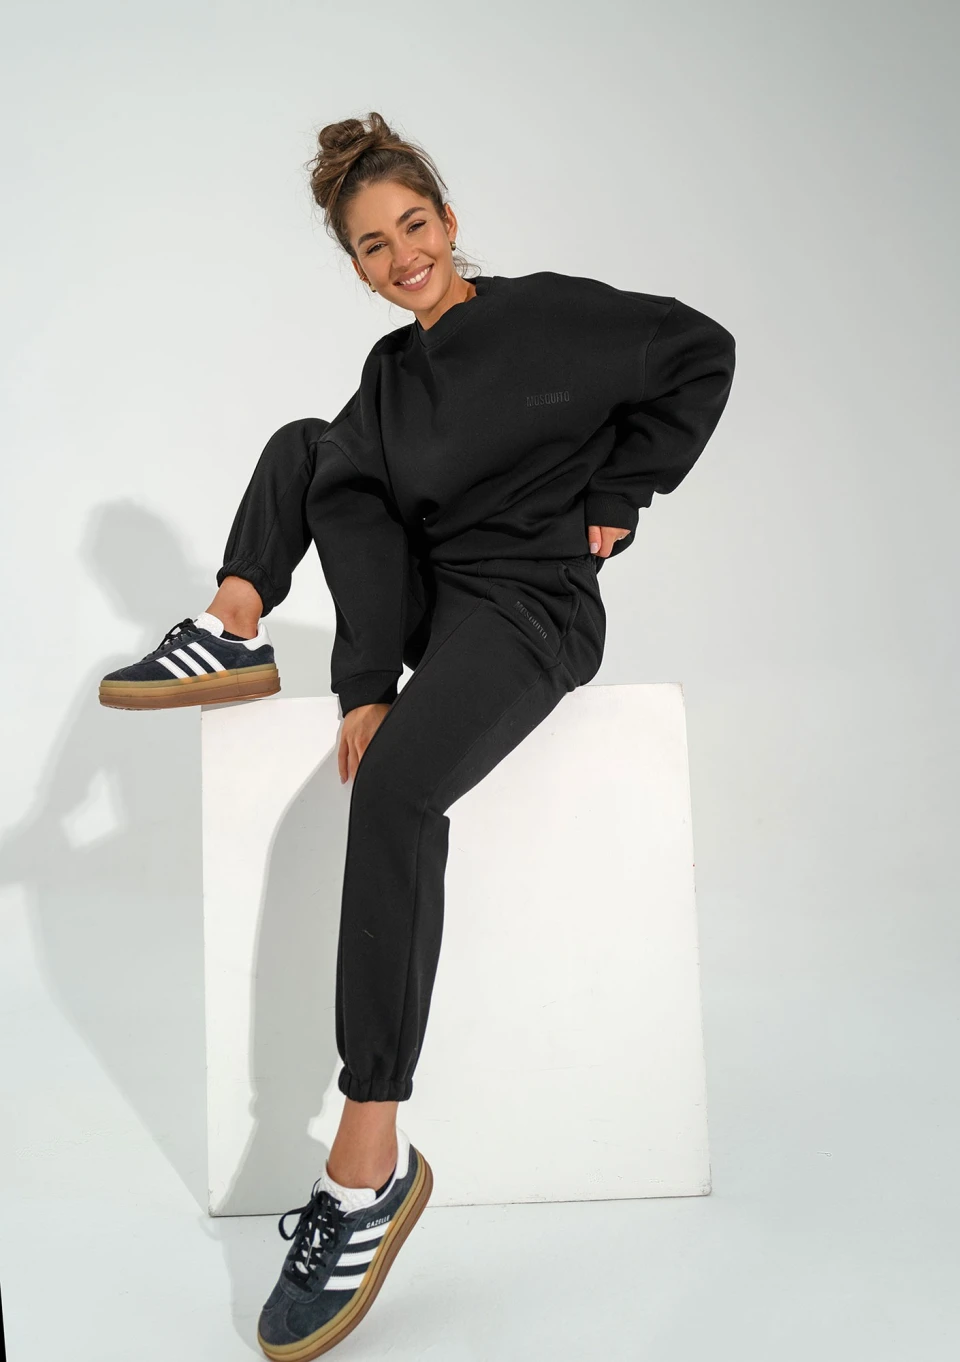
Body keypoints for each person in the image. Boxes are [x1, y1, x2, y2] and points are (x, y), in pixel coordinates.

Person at [99, 112, 736, 1359]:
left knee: (393, 797)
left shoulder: (550, 314)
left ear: (449, 220)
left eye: (414, 228)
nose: (404, 259)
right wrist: (362, 686)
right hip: (442, 610)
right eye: (374, 247)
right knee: (312, 445)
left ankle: (368, 1158)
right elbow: (360, 516)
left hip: (531, 609)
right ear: (354, 266)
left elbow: (701, 351)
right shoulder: (393, 375)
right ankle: (233, 623)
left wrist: (621, 489)